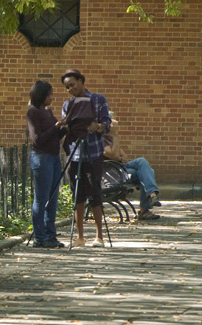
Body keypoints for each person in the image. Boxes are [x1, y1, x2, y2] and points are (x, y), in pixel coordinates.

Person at [60, 69, 111, 248]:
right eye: (67, 87)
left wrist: (96, 126)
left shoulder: (98, 99)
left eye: (72, 85)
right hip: (75, 154)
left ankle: (99, 237)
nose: (70, 89)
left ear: (81, 81)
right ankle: (80, 237)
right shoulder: (67, 105)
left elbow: (107, 124)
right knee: (77, 196)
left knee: (95, 194)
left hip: (94, 152)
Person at [26, 80, 67, 248]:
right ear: (41, 96)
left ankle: (51, 234)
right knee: (42, 198)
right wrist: (57, 126)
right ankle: (40, 236)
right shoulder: (33, 113)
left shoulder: (48, 112)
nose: (52, 97)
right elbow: (38, 139)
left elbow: (56, 136)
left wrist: (66, 127)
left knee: (53, 197)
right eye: (49, 95)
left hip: (54, 156)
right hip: (41, 158)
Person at [102, 119, 162, 220]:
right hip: (113, 173)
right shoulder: (100, 140)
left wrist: (119, 157)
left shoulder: (109, 140)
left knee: (145, 169)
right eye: (113, 126)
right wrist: (115, 137)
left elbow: (125, 157)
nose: (116, 128)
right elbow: (115, 156)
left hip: (121, 168)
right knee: (145, 168)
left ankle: (151, 197)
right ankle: (149, 201)